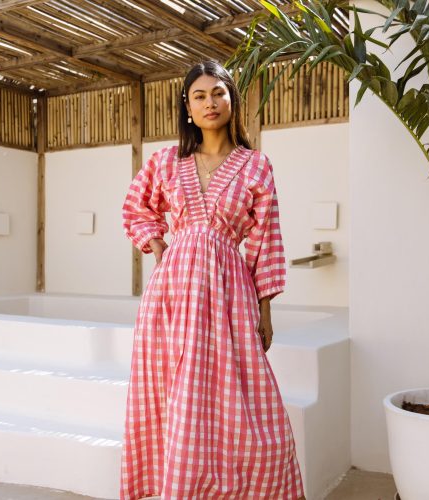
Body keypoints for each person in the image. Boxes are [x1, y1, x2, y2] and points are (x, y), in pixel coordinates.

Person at [120, 59, 305, 500]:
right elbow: (135, 207)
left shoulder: (256, 165)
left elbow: (266, 239)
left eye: (218, 93)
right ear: (187, 107)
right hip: (172, 293)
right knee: (175, 392)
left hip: (229, 291)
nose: (210, 103)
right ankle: (181, 487)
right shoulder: (166, 161)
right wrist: (158, 244)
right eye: (199, 96)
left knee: (246, 399)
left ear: (232, 100)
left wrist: (265, 311)